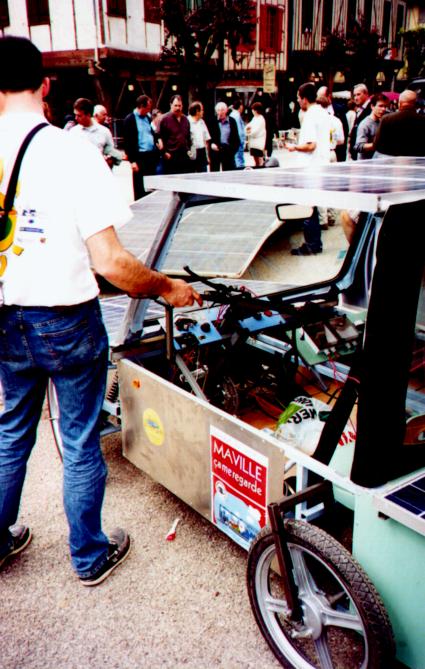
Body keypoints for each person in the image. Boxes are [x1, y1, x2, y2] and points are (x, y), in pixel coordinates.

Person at [0, 35, 201, 586]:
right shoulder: (73, 153)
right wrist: (167, 289)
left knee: (12, 431)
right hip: (64, 317)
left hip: (5, 318)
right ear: (46, 85)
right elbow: (111, 262)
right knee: (80, 438)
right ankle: (88, 555)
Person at [285, 82, 332, 255]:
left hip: (311, 168)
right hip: (321, 165)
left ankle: (312, 245)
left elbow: (311, 145)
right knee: (313, 206)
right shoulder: (323, 113)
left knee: (308, 207)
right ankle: (315, 243)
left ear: (304, 99)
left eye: (298, 98)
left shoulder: (310, 116)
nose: (297, 101)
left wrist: (294, 147)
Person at [123, 95, 159, 200]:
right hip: (139, 156)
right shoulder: (130, 119)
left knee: (150, 184)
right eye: (148, 107)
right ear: (141, 106)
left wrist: (157, 142)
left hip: (150, 155)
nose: (149, 110)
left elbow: (152, 132)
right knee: (139, 185)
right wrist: (132, 161)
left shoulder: (148, 117)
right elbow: (128, 142)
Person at [70, 97, 121, 168]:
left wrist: (110, 160)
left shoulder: (104, 132)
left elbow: (111, 152)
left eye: (79, 115)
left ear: (88, 115)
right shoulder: (73, 132)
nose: (75, 118)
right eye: (75, 115)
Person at [373, 90, 425, 157]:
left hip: (392, 162)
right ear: (415, 104)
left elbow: (377, 145)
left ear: (399, 103)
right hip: (417, 163)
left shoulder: (386, 119)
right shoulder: (422, 120)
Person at [157, 95, 192, 175]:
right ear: (171, 105)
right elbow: (158, 137)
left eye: (179, 106)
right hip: (171, 156)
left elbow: (188, 137)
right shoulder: (164, 119)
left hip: (184, 156)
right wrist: (164, 153)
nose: (177, 108)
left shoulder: (185, 119)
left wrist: (189, 149)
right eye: (175, 105)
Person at [316, 85, 348, 162]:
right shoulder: (315, 117)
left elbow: (345, 132)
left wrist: (331, 140)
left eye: (322, 97)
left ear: (328, 96)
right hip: (320, 152)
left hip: (335, 151)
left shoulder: (339, 111)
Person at [354, 93, 389, 160]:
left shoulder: (381, 122)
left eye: (385, 106)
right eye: (380, 106)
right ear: (372, 106)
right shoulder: (365, 124)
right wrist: (377, 145)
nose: (383, 109)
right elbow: (359, 146)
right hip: (366, 165)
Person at [208, 101, 240, 171]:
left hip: (228, 151)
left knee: (228, 173)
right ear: (216, 111)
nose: (220, 112)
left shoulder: (232, 121)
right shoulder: (212, 121)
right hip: (215, 151)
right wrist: (211, 144)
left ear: (226, 110)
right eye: (218, 110)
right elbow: (208, 137)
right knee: (214, 173)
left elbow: (236, 139)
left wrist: (232, 151)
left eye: (222, 110)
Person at [349, 84, 371, 160]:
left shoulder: (370, 109)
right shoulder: (360, 109)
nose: (355, 98)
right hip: (357, 153)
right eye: (354, 95)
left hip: (365, 155)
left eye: (358, 95)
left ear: (366, 94)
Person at [187, 101, 211, 173]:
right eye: (202, 110)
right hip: (192, 151)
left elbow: (206, 139)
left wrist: (207, 156)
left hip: (202, 152)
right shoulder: (187, 121)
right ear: (197, 111)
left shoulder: (202, 122)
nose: (203, 112)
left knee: (203, 173)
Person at [246, 102, 266, 167]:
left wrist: (249, 132)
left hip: (258, 143)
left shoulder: (261, 119)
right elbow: (248, 126)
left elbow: (256, 130)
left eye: (253, 109)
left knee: (260, 160)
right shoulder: (254, 118)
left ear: (256, 110)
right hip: (253, 143)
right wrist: (248, 130)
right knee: (255, 160)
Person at [230, 98, 246, 168]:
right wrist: (241, 141)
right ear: (240, 106)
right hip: (238, 141)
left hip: (235, 141)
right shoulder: (236, 115)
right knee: (239, 159)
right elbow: (239, 130)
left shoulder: (232, 114)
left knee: (237, 158)